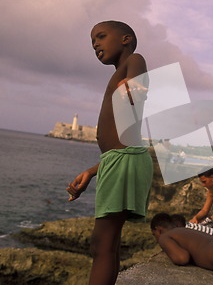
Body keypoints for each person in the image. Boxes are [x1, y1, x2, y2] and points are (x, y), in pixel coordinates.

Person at [66, 21, 153, 285]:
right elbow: (121, 143)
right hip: (119, 158)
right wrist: (93, 171)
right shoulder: (118, 74)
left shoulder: (134, 60)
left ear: (125, 39)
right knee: (109, 243)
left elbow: (138, 77)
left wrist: (135, 85)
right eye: (93, 40)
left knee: (101, 245)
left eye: (101, 37)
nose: (95, 44)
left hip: (123, 160)